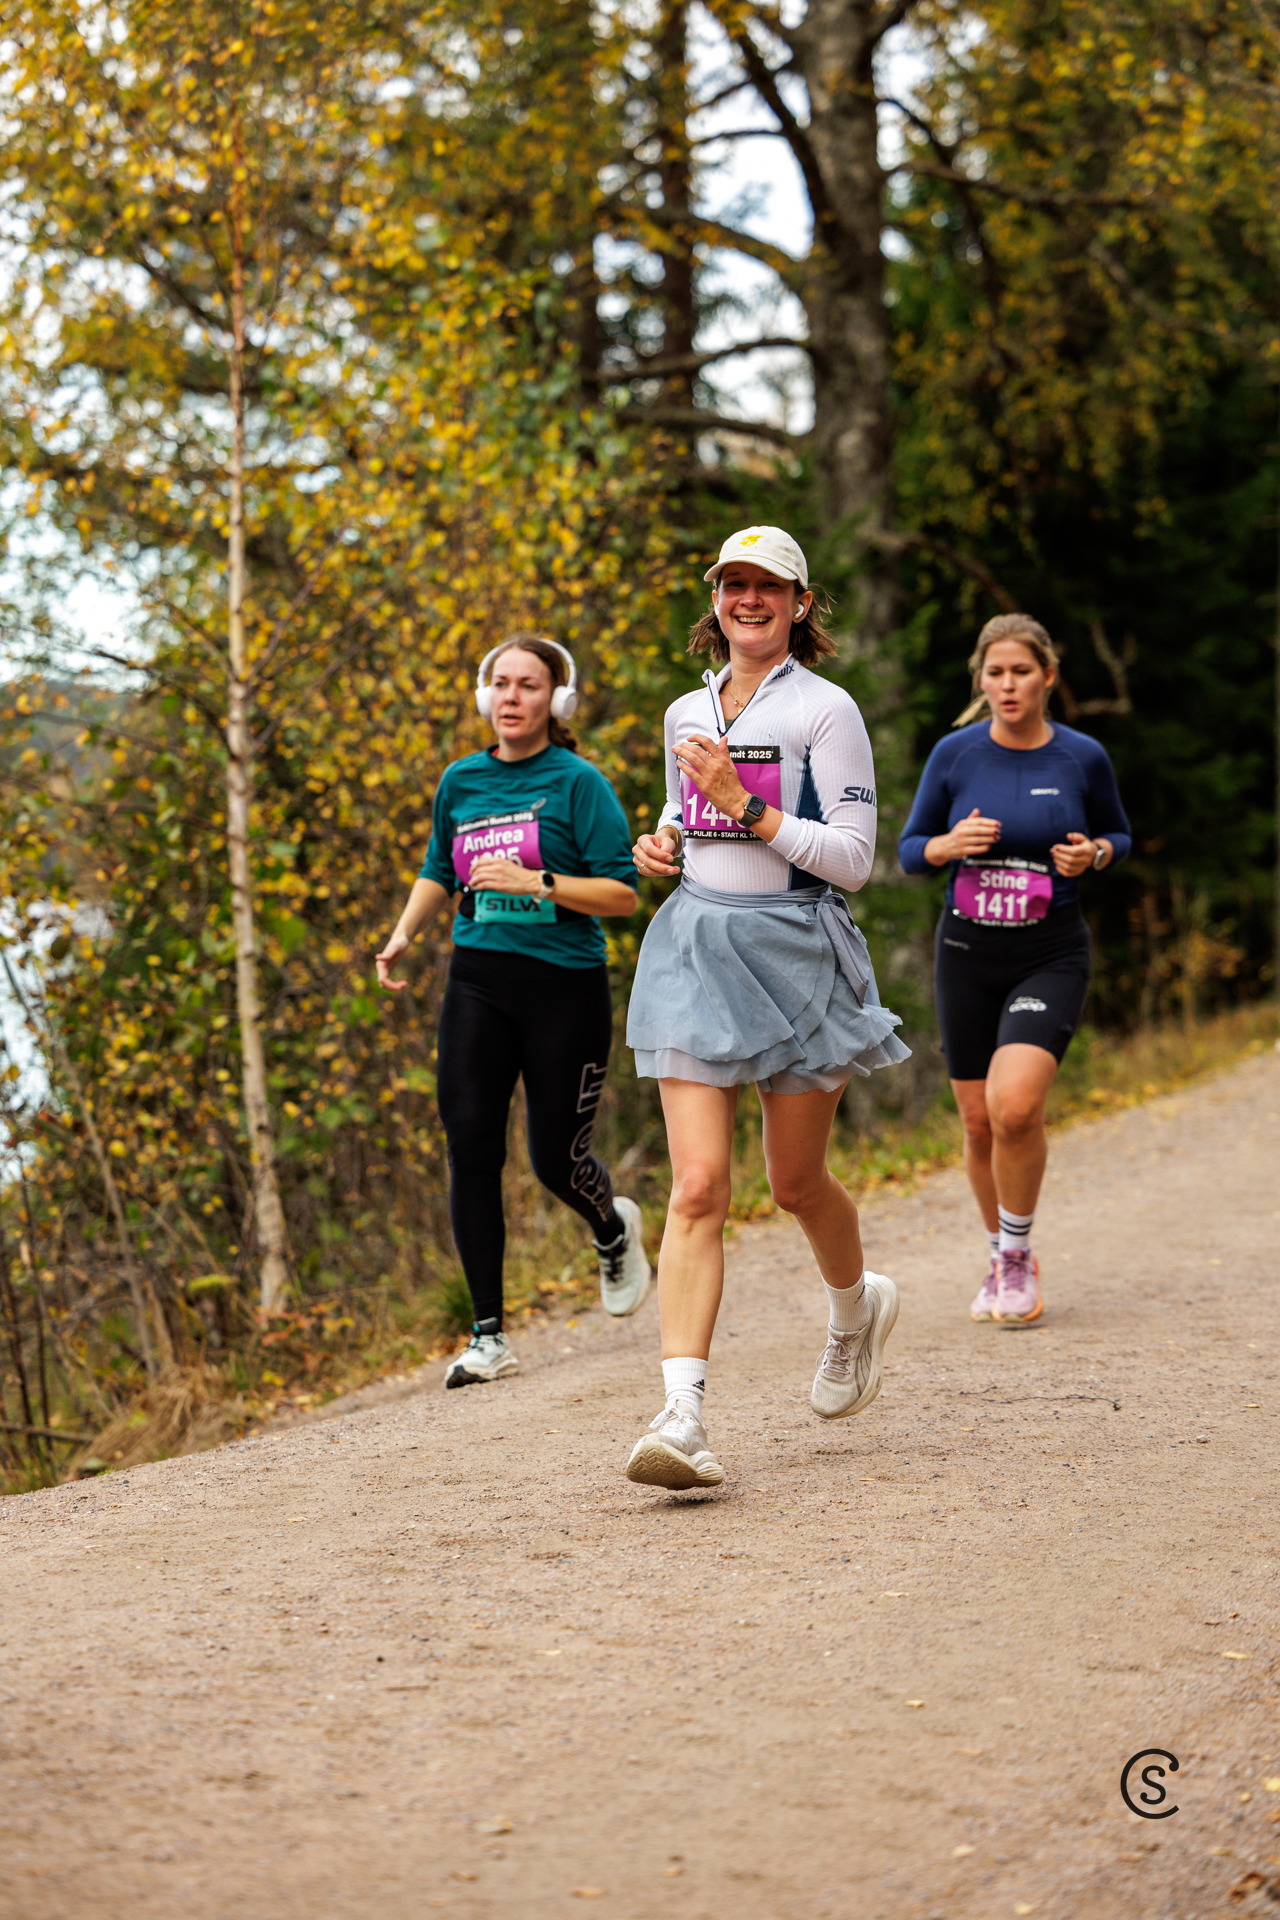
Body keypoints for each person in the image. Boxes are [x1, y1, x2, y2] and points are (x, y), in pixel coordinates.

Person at [624, 526, 911, 1491]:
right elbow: (681, 812)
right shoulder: (686, 708)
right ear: (715, 600)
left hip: (798, 952)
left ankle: (854, 1313)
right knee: (698, 1186)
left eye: (769, 586)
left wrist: (741, 802)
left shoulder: (827, 709)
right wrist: (662, 841)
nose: (750, 600)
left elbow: (854, 860)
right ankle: (682, 1416)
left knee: (795, 1184)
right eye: (734, 584)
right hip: (696, 948)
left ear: (800, 603)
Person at [376, 635, 650, 1388]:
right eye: (501, 683)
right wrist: (403, 935)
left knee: (555, 1160)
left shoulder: (579, 783)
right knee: (470, 1147)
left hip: (565, 985)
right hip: (478, 982)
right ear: (483, 695)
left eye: (528, 685)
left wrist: (540, 883)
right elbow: (440, 867)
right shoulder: (460, 780)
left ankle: (611, 1226)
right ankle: (488, 1335)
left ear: (555, 701)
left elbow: (621, 894)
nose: (511, 697)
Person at [898, 612, 1131, 1327]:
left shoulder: (1081, 756)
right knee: (977, 1123)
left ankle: (1020, 1253)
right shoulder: (955, 755)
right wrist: (948, 844)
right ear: (981, 679)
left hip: (1049, 953)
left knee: (1017, 1106)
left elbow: (1117, 834)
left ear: (1047, 677)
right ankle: (998, 1253)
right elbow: (909, 851)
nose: (1007, 685)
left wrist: (1093, 854)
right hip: (967, 954)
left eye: (1021, 671)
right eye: (995, 672)